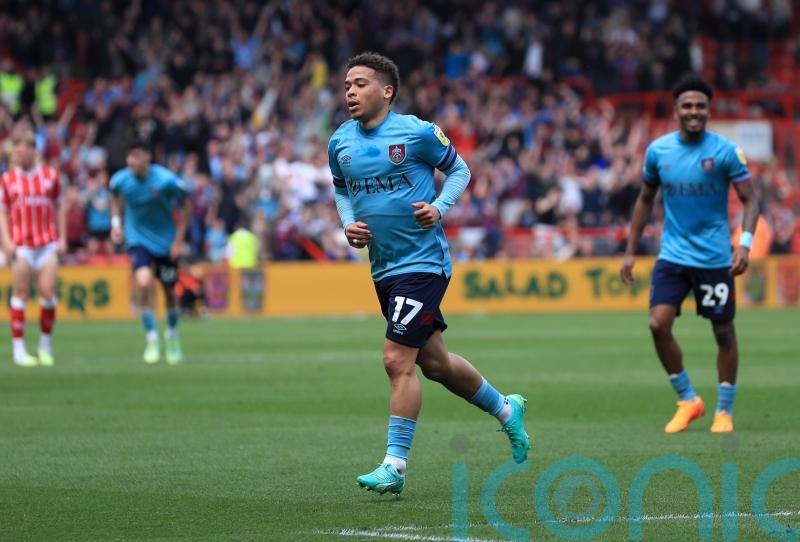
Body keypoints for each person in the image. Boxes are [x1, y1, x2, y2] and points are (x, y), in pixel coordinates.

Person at [328, 52, 530, 495]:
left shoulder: (416, 133)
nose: (350, 93)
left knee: (396, 360)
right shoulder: (340, 141)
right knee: (435, 364)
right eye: (346, 86)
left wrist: (439, 208)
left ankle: (394, 467)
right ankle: (505, 409)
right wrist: (347, 224)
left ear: (387, 91)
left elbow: (460, 170)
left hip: (423, 264)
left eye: (359, 84)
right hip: (384, 268)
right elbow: (342, 191)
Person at [620, 75, 759, 434]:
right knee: (657, 324)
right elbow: (645, 201)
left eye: (700, 106)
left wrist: (744, 243)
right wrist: (630, 251)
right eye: (687, 106)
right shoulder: (659, 151)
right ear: (677, 110)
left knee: (723, 331)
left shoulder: (726, 151)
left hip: (715, 258)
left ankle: (724, 411)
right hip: (673, 256)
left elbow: (750, 200)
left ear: (708, 111)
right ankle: (688, 400)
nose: (694, 111)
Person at [110, 140, 191, 364]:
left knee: (170, 293)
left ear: (147, 157)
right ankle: (152, 338)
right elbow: (115, 199)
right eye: (129, 157)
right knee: (144, 283)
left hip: (165, 243)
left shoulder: (166, 180)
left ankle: (172, 337)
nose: (131, 162)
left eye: (136, 156)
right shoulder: (120, 180)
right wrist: (116, 224)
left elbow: (186, 205)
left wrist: (178, 240)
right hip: (137, 240)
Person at [0, 127, 66, 367]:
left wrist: (62, 237)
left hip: (47, 243)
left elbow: (59, 206)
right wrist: (6, 240)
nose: (16, 152)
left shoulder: (50, 176)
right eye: (14, 148)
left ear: (32, 150)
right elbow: (2, 212)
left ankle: (45, 345)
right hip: (21, 245)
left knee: (48, 293)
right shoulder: (8, 179)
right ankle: (19, 349)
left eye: (21, 148)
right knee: (21, 293)